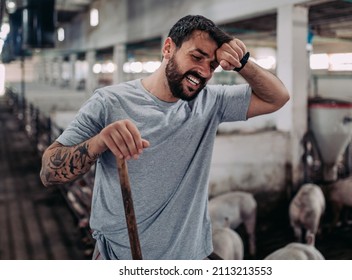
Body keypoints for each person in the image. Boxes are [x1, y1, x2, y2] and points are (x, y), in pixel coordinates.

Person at [40, 14, 290, 260]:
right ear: (168, 48)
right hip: (122, 258)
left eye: (212, 65)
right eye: (196, 57)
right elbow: (49, 172)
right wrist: (98, 142)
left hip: (189, 258)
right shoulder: (109, 102)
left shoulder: (211, 102)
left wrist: (242, 62)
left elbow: (277, 97)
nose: (203, 71)